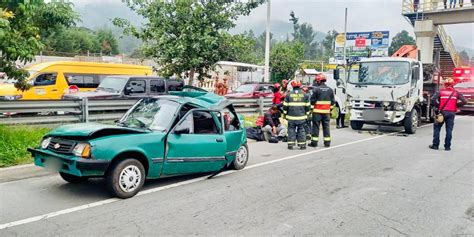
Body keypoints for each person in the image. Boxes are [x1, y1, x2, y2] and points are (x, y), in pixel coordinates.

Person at [429, 78, 467, 151]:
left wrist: (438, 105)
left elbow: (433, 99)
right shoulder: (456, 93)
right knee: (449, 130)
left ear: (444, 84)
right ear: (453, 85)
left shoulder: (440, 92)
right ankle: (447, 147)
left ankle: (435, 145)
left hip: (442, 112)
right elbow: (464, 101)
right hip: (451, 113)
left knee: (437, 128)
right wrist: (456, 105)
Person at [283, 80, 311, 150]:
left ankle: (291, 144)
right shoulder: (305, 95)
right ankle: (302, 145)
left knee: (291, 129)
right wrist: (307, 115)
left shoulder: (288, 95)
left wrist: (285, 114)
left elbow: (285, 106)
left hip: (291, 117)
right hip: (301, 117)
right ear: (300, 86)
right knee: (301, 130)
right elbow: (308, 107)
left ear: (292, 86)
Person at [310, 73, 335, 148]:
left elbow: (312, 101)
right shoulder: (330, 90)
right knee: (326, 127)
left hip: (317, 112)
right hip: (326, 112)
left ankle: (314, 142)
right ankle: (327, 143)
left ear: (318, 81)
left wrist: (311, 110)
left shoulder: (316, 89)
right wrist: (330, 110)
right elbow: (333, 102)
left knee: (315, 127)